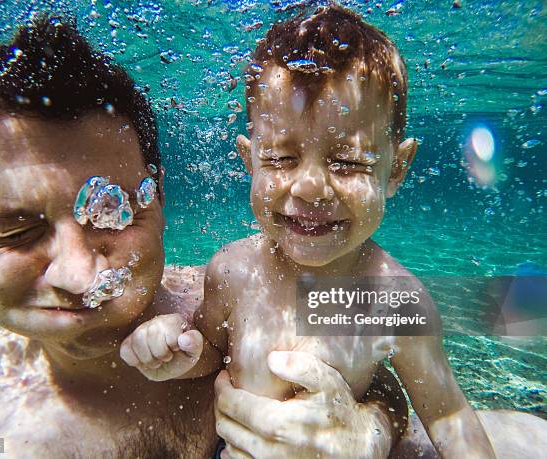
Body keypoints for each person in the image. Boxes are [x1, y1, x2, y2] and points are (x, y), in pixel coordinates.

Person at [0, 17, 407, 458]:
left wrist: (368, 431)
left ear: (158, 198)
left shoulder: (238, 294)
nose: (78, 277)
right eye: (16, 231)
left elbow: (373, 368)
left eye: (110, 211)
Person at [121, 6, 545, 458]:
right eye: (280, 159)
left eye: (348, 162)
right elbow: (213, 351)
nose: (309, 188)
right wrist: (180, 352)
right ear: (249, 161)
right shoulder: (232, 270)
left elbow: (446, 415)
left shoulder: (389, 297)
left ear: (396, 168)